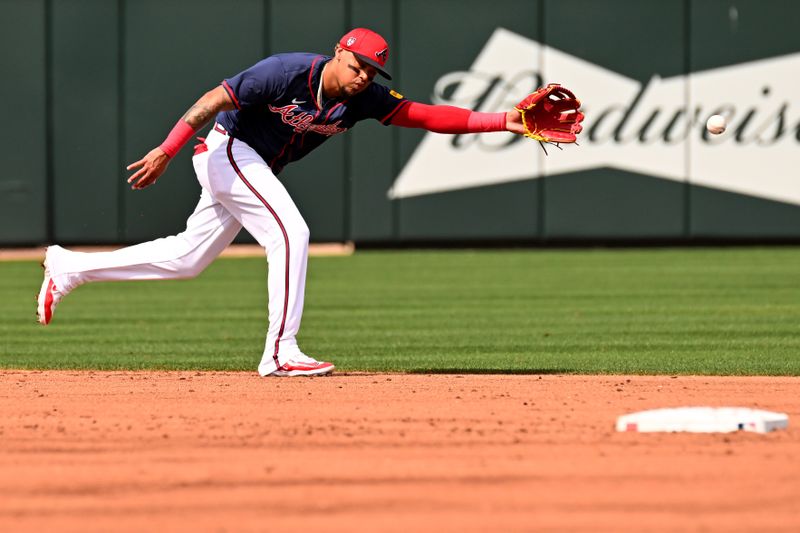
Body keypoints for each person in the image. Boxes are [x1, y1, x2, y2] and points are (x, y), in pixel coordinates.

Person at [37, 28, 528, 377]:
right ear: (338, 53)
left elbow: (425, 115)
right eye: (357, 65)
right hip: (227, 149)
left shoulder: (365, 98)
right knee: (292, 231)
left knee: (187, 259)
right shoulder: (285, 72)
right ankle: (279, 351)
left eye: (372, 71)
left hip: (253, 166)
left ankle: (68, 268)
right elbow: (211, 102)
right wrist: (166, 150)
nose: (362, 77)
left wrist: (504, 120)